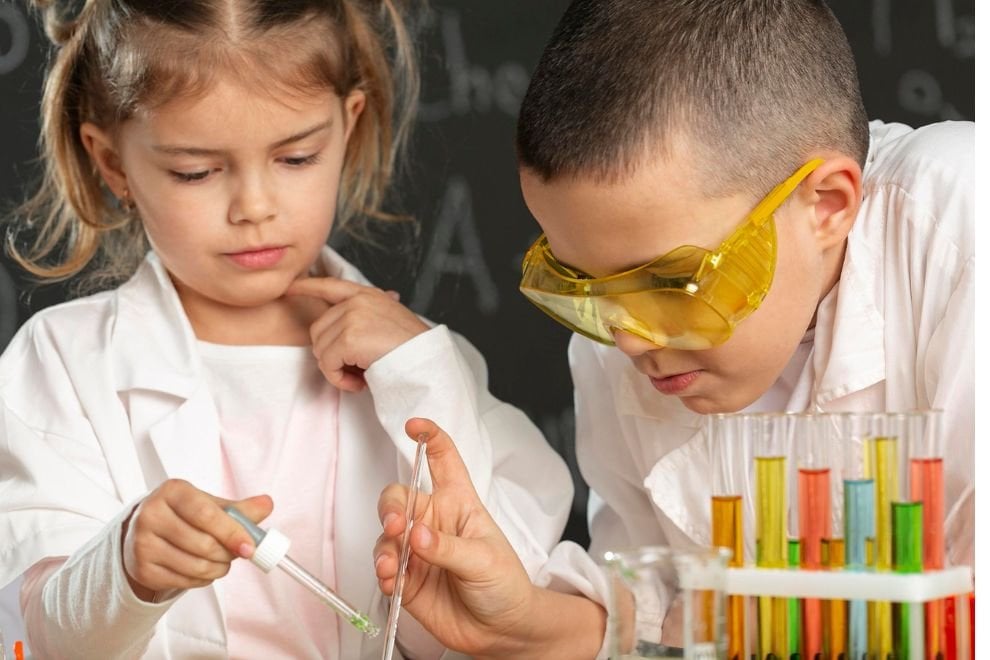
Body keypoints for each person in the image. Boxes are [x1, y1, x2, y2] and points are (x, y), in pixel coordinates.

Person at [373, 0, 975, 657]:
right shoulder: (624, 340)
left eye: (668, 285)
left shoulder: (964, 231)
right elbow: (667, 625)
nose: (630, 341)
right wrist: (525, 624)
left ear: (826, 205)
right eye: (585, 286)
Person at [0, 1, 574, 658]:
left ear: (347, 126)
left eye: (297, 158)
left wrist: (423, 378)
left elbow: (508, 609)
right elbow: (36, 628)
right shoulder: (60, 364)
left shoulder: (424, 363)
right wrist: (125, 571)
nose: (255, 207)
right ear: (113, 164)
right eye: (195, 171)